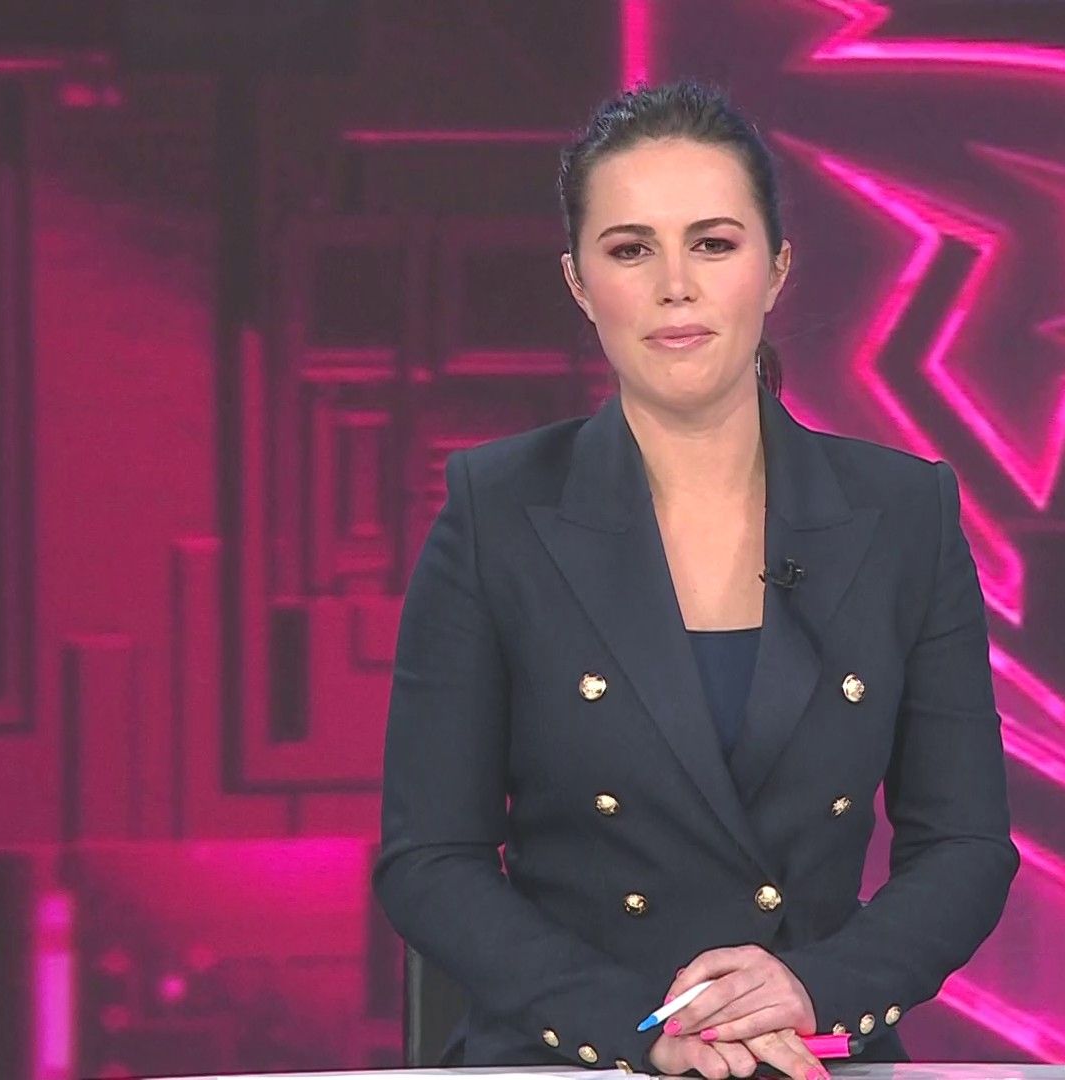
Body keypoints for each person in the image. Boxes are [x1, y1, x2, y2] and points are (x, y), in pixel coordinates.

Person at [372, 78, 1018, 1079]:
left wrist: (816, 989)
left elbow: (966, 846)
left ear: (776, 268)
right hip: (576, 1056)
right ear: (579, 282)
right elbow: (430, 859)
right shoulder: (494, 512)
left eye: (713, 244)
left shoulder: (904, 516)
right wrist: (642, 1025)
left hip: (812, 1051)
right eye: (631, 250)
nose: (675, 286)